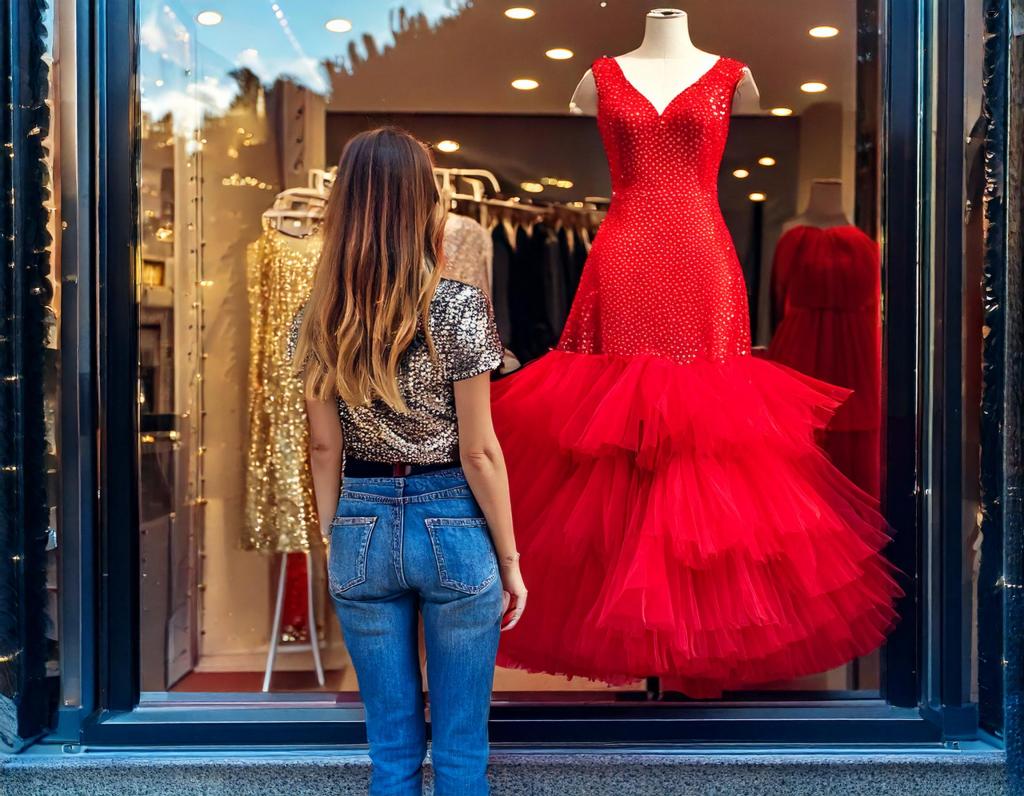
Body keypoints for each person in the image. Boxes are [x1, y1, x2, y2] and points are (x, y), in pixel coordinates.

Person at [290, 127, 526, 796]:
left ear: (346, 208)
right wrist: (509, 559)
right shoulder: (457, 308)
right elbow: (480, 451)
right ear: (424, 204)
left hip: (360, 520)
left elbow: (323, 446)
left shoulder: (318, 317)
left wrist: (338, 534)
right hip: (452, 519)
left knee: (391, 752)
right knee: (459, 751)